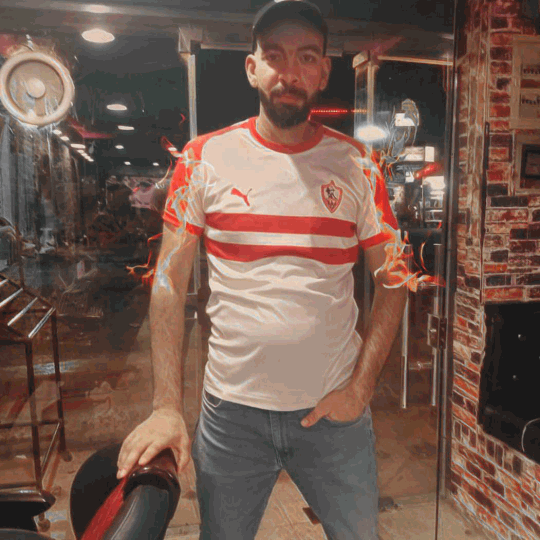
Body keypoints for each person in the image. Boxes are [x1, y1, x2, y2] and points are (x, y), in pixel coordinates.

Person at [117, 1, 407, 538]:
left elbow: (393, 279)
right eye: (274, 56)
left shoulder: (359, 167)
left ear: (324, 71)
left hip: (334, 418)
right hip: (232, 418)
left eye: (306, 57)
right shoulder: (201, 159)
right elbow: (169, 282)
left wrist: (361, 389)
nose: (289, 72)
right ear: (252, 68)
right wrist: (166, 407)